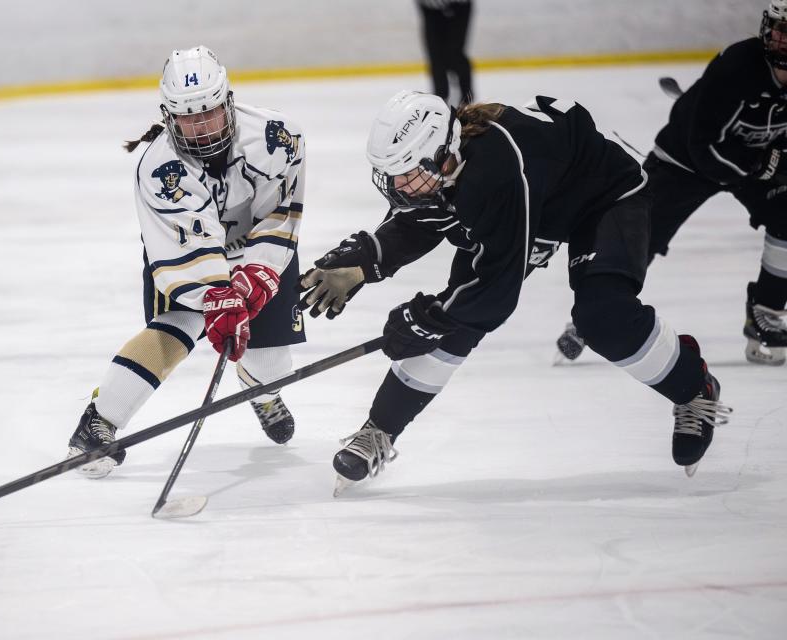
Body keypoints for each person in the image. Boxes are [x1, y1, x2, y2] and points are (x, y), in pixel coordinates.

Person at [298, 90, 732, 494]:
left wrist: (425, 318)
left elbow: (496, 292)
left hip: (604, 197)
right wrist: (365, 261)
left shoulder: (495, 172)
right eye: (391, 176)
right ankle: (380, 430)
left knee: (603, 319)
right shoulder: (444, 167)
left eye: (408, 175)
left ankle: (694, 385)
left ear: (443, 156)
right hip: (537, 205)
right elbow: (422, 220)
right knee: (454, 316)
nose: (398, 188)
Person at [67, 46, 306, 478]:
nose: (201, 126)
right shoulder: (160, 168)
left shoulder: (277, 136)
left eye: (210, 112)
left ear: (228, 101)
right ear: (169, 115)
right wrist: (218, 296)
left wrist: (258, 274)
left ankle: (261, 387)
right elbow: (189, 248)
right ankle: (98, 421)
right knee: (174, 331)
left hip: (259, 248)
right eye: (188, 117)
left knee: (271, 362)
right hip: (187, 256)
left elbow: (280, 213)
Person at [556, 0, 787, 366]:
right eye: (779, 29)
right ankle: (591, 315)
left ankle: (767, 313)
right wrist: (764, 165)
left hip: (752, 161)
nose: (781, 39)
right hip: (686, 160)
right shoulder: (737, 66)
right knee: (638, 232)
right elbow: (704, 147)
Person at [416, 0, 474, 105]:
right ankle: (440, 99)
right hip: (430, 7)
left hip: (459, 6)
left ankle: (466, 99)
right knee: (435, 55)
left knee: (454, 53)